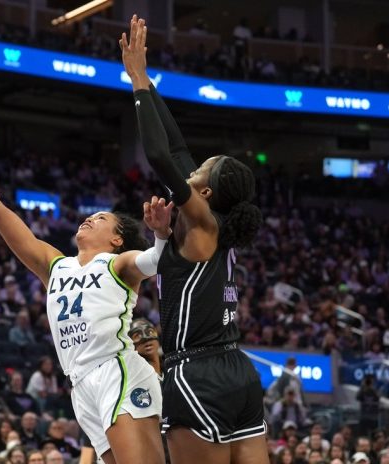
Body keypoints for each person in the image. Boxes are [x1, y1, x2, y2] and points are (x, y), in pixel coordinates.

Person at [0, 97, 168, 464]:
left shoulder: (118, 264)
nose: (89, 219)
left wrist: (161, 235)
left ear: (117, 239)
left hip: (116, 370)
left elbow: (155, 260)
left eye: (101, 219)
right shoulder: (55, 266)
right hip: (80, 383)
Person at [121, 15, 268, 464]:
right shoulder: (214, 224)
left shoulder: (202, 222)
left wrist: (137, 84)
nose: (193, 166)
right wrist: (147, 80)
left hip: (196, 371)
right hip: (238, 369)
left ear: (204, 193)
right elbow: (178, 148)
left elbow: (160, 155)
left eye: (202, 169)